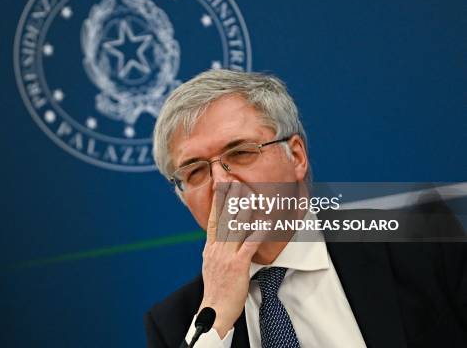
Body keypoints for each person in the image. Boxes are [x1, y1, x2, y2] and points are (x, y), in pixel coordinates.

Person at [144, 70, 467, 347]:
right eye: (195, 171)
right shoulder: (178, 324)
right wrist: (215, 316)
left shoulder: (420, 244)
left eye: (241, 152)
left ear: (296, 156)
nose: (221, 183)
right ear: (183, 195)